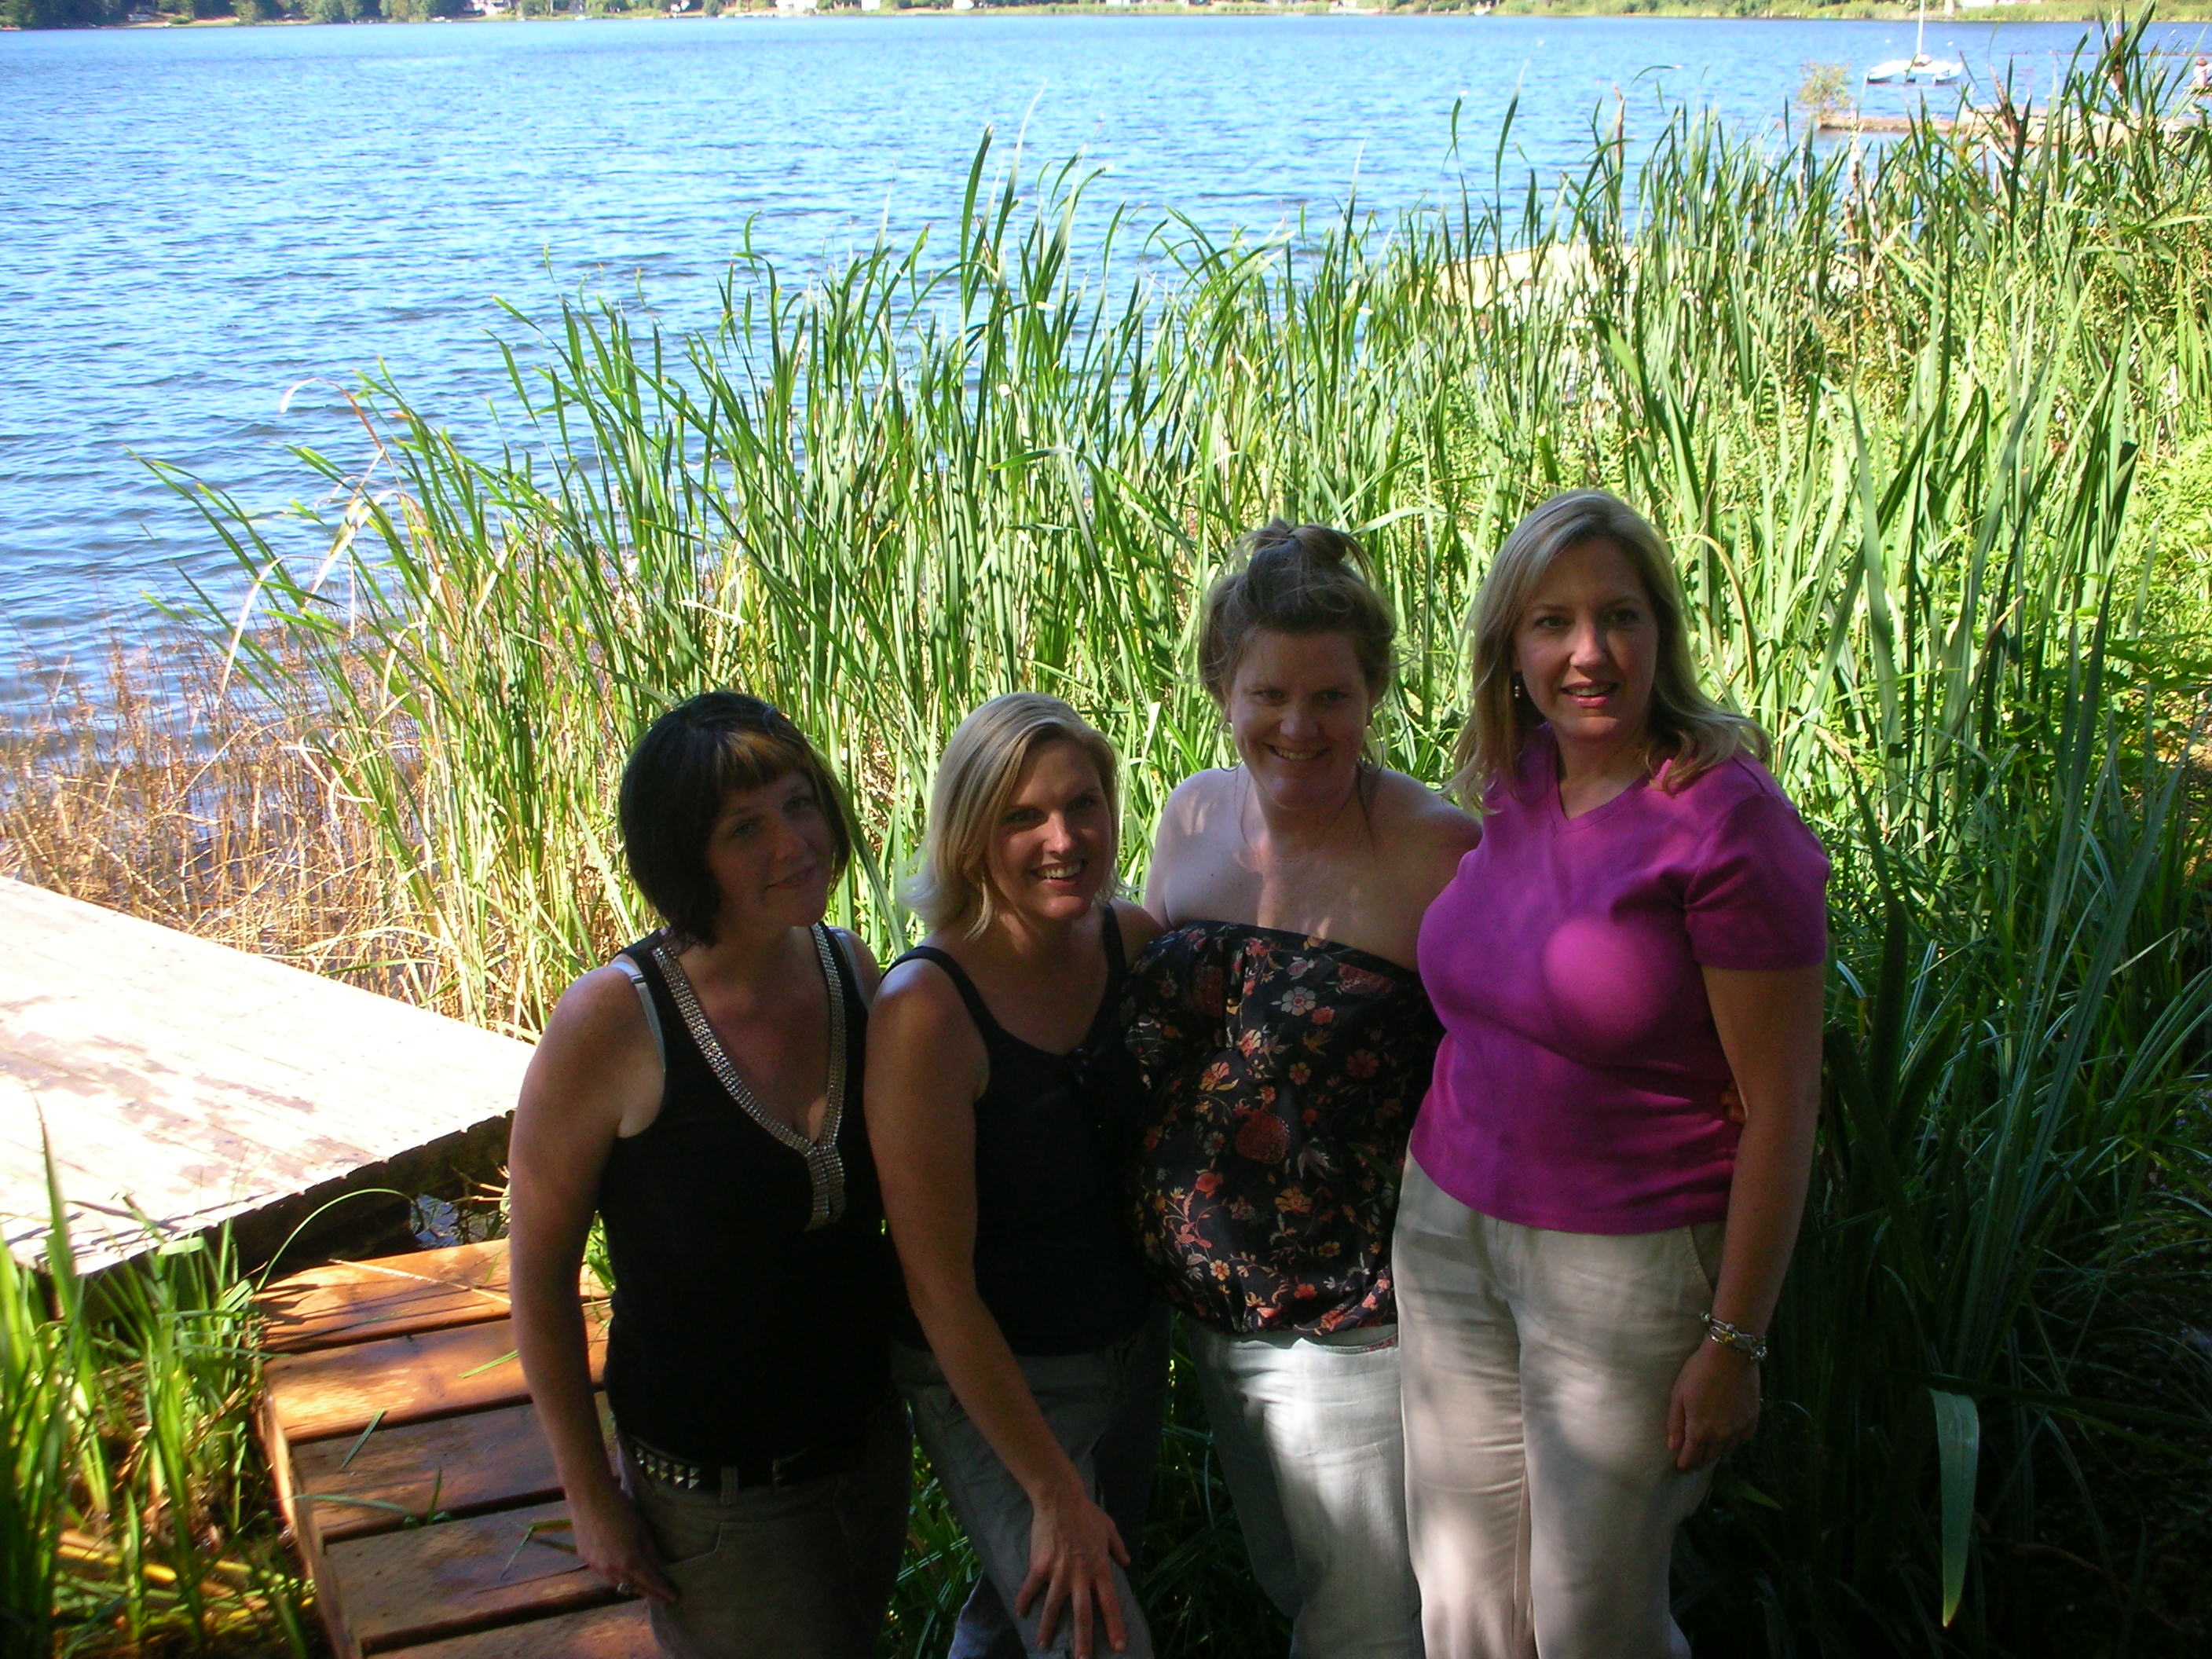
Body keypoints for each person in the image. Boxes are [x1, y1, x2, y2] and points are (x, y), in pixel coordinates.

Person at [1396, 490, 1829, 1659]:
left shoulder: (1726, 822)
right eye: (1552, 622)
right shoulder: (1517, 775)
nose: (1588, 653)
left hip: (1624, 1266)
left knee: (1592, 1621)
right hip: (1445, 1229)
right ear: (1511, 647)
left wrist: (1734, 1340)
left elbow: (1784, 1105)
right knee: (1462, 1604)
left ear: (1660, 635)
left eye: (1619, 617)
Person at [1124, 522, 1479, 1658]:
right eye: (1268, 694)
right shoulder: (1190, 818)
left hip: (1355, 1329)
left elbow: (1517, 1049)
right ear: (1221, 690)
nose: (1298, 725)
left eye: (1331, 696)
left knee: (1365, 1626)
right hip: (1214, 1320)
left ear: (1374, 693)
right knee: (1297, 1588)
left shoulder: (1436, 849)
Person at [508, 692, 910, 1659]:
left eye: (800, 804)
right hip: (718, 1502)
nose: (794, 843)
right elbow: (538, 1272)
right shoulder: (614, 1021)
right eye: (744, 828)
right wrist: (588, 1494)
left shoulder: (849, 970)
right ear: (685, 857)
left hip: (866, 1452)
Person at [866, 693, 1170, 1659]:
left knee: (1018, 1618)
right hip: (997, 1377)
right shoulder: (927, 1010)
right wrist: (1049, 1488)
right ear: (969, 837)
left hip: (1127, 1351)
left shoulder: (1129, 941)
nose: (1062, 839)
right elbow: (937, 1286)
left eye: (1082, 805)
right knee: (1096, 1633)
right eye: (1021, 816)